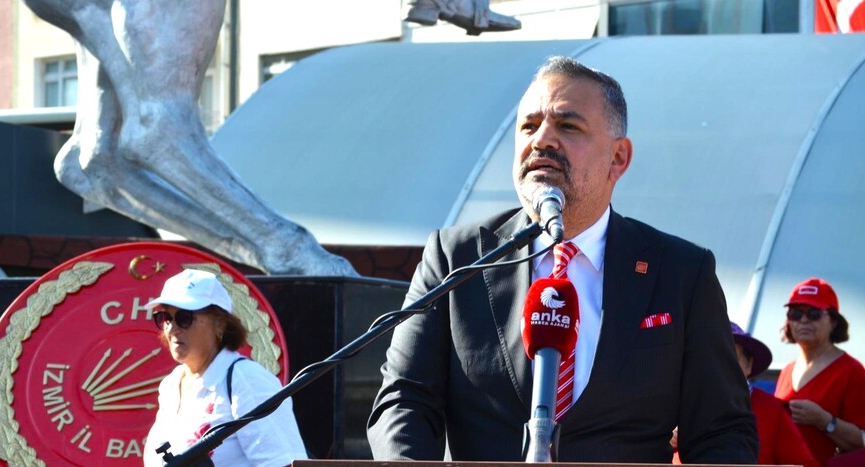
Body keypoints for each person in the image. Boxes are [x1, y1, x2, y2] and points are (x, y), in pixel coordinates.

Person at [367, 55, 757, 463]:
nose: (542, 141)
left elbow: (722, 429)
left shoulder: (680, 272)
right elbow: (404, 399)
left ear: (618, 159)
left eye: (567, 126)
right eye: (529, 126)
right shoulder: (458, 259)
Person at [142, 269, 308, 466]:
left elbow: (283, 463)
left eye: (184, 317)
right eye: (166, 318)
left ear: (219, 324)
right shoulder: (171, 385)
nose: (172, 328)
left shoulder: (247, 379)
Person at [672, 322, 816, 466]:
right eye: (709, 357)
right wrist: (666, 440)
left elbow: (803, 464)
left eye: (730, 358)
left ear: (749, 364)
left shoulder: (772, 409)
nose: (718, 367)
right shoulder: (672, 405)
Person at [775, 277, 865, 466]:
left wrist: (825, 421)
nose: (804, 320)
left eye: (814, 313)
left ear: (833, 321)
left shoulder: (852, 371)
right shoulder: (786, 371)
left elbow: (862, 441)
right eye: (795, 314)